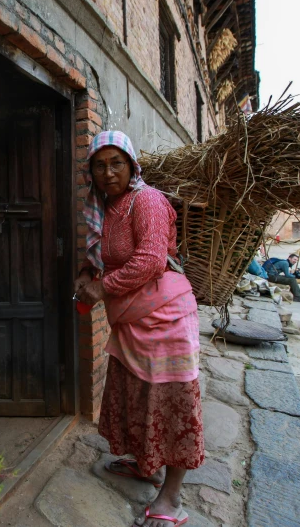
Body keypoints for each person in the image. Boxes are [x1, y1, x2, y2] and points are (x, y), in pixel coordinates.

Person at [74, 131, 203, 527]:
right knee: (136, 393)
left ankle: (171, 498)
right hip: (132, 318)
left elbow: (149, 261)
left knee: (171, 400)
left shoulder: (146, 200)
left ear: (132, 166)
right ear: (90, 171)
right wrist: (88, 271)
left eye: (117, 163)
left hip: (166, 318)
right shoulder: (106, 206)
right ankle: (146, 464)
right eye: (100, 164)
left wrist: (100, 288)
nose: (108, 172)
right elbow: (107, 255)